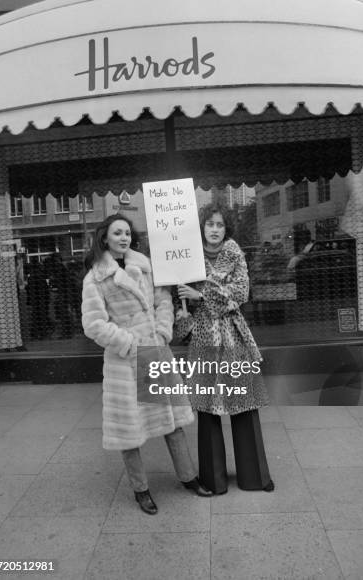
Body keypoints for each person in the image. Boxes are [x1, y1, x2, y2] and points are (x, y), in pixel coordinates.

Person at [81, 214, 212, 515]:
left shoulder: (144, 266)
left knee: (172, 422)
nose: (124, 237)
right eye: (117, 233)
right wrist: (128, 342)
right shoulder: (95, 278)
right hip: (125, 359)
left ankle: (188, 477)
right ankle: (141, 489)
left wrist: (163, 330)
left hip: (155, 351)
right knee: (130, 430)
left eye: (127, 232)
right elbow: (93, 324)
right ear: (105, 238)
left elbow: (162, 300)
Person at [176, 203, 274, 495]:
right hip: (204, 337)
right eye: (210, 225)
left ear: (225, 228)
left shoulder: (234, 253)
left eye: (219, 225)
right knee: (208, 410)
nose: (215, 230)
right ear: (202, 227)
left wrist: (201, 293)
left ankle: (255, 477)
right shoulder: (186, 257)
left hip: (233, 336)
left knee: (243, 403)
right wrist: (185, 310)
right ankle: (212, 480)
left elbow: (242, 292)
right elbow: (179, 298)